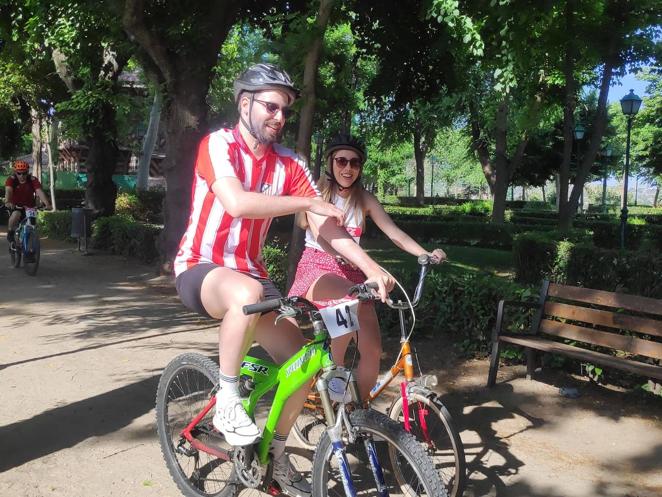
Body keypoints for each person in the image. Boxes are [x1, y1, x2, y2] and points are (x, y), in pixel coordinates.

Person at [173, 64, 393, 497]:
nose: (279, 116)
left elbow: (325, 225)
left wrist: (371, 268)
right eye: (271, 106)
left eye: (286, 110)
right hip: (202, 267)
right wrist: (307, 201)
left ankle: (273, 453)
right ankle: (229, 400)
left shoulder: (290, 163)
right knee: (247, 292)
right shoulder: (218, 145)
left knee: (306, 365)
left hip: (252, 275)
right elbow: (236, 202)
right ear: (245, 103)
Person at [288, 134, 446, 400]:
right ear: (331, 162)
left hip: (353, 274)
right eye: (341, 160)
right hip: (318, 267)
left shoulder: (365, 199)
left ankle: (359, 415)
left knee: (372, 351)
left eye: (355, 162)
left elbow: (394, 233)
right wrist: (358, 261)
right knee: (349, 304)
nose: (348, 168)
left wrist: (426, 254)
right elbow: (325, 237)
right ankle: (331, 375)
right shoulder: (316, 196)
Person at [4, 160, 52, 247]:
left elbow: (39, 191)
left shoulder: (33, 179)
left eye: (24, 173)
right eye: (19, 173)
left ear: (28, 172)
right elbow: (9, 191)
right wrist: (8, 201)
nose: (22, 175)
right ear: (15, 172)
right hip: (16, 206)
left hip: (30, 207)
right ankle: (10, 233)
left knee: (32, 225)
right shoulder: (11, 179)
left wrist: (47, 204)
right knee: (16, 214)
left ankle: (30, 249)